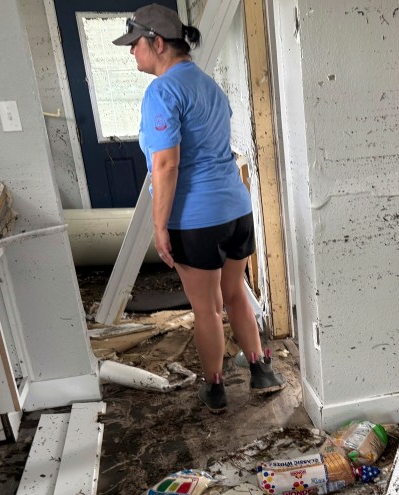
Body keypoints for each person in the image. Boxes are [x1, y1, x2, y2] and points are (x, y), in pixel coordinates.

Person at [114, 4, 284, 412]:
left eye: (134, 44)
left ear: (157, 42)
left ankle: (215, 386)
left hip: (196, 219)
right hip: (236, 209)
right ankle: (261, 370)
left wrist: (160, 227)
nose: (131, 52)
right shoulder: (209, 85)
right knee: (236, 294)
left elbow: (166, 164)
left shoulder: (162, 91)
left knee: (206, 309)